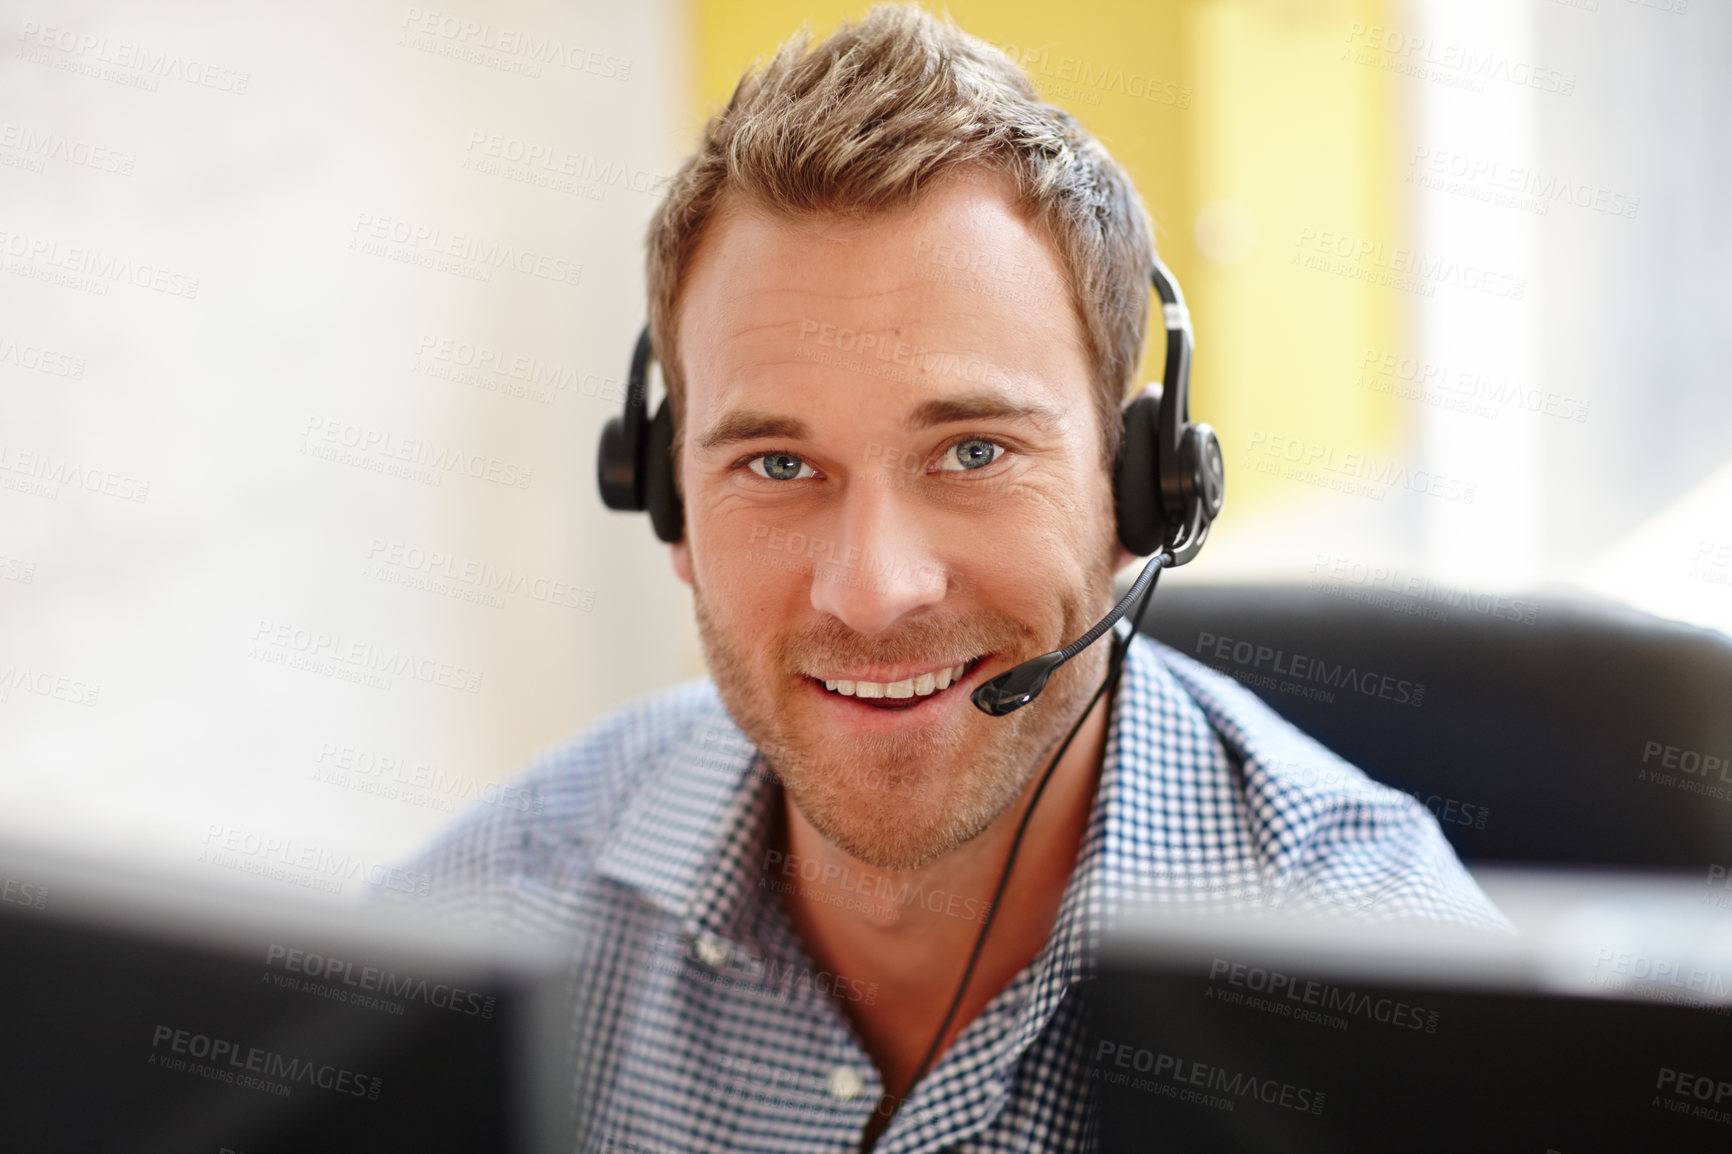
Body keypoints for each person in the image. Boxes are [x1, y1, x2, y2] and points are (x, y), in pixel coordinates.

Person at [392, 6, 1505, 1151]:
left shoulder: (1403, 1015)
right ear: (668, 501)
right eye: (777, 463)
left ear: (1142, 493)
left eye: (974, 451)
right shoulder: (502, 906)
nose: (872, 589)